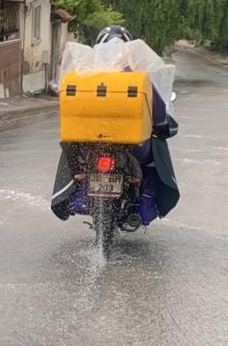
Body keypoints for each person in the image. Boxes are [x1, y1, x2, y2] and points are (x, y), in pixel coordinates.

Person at [51, 27, 180, 228]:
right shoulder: (137, 75)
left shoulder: (84, 73)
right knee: (154, 162)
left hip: (89, 144)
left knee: (73, 155)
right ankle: (144, 206)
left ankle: (77, 198)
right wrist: (162, 127)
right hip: (134, 146)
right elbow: (157, 110)